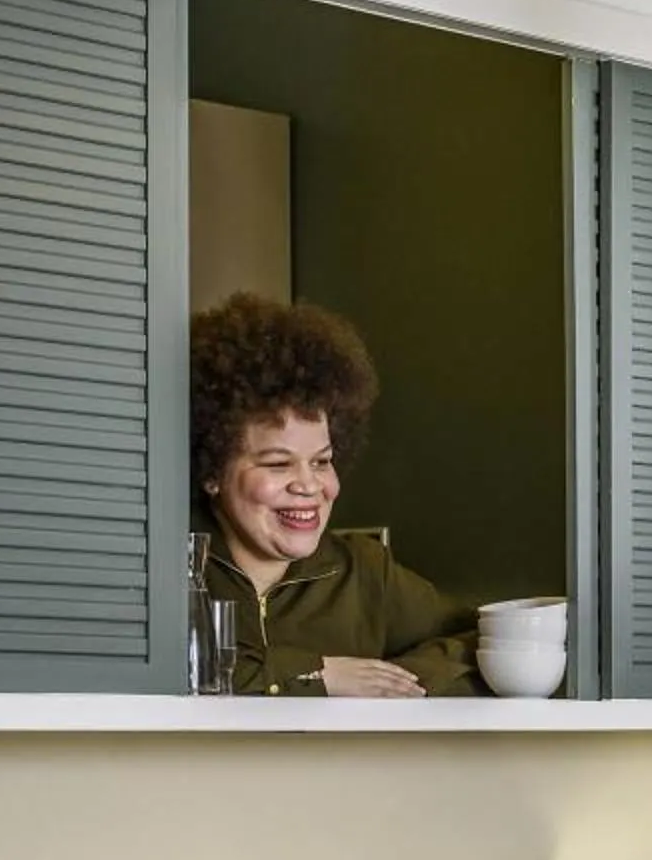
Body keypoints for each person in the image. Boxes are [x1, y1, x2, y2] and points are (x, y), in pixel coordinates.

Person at [191, 293, 482, 696]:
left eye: (321, 461)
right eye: (278, 464)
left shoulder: (363, 571)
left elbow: (481, 640)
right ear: (211, 471)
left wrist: (391, 684)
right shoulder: (173, 574)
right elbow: (172, 672)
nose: (309, 486)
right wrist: (318, 674)